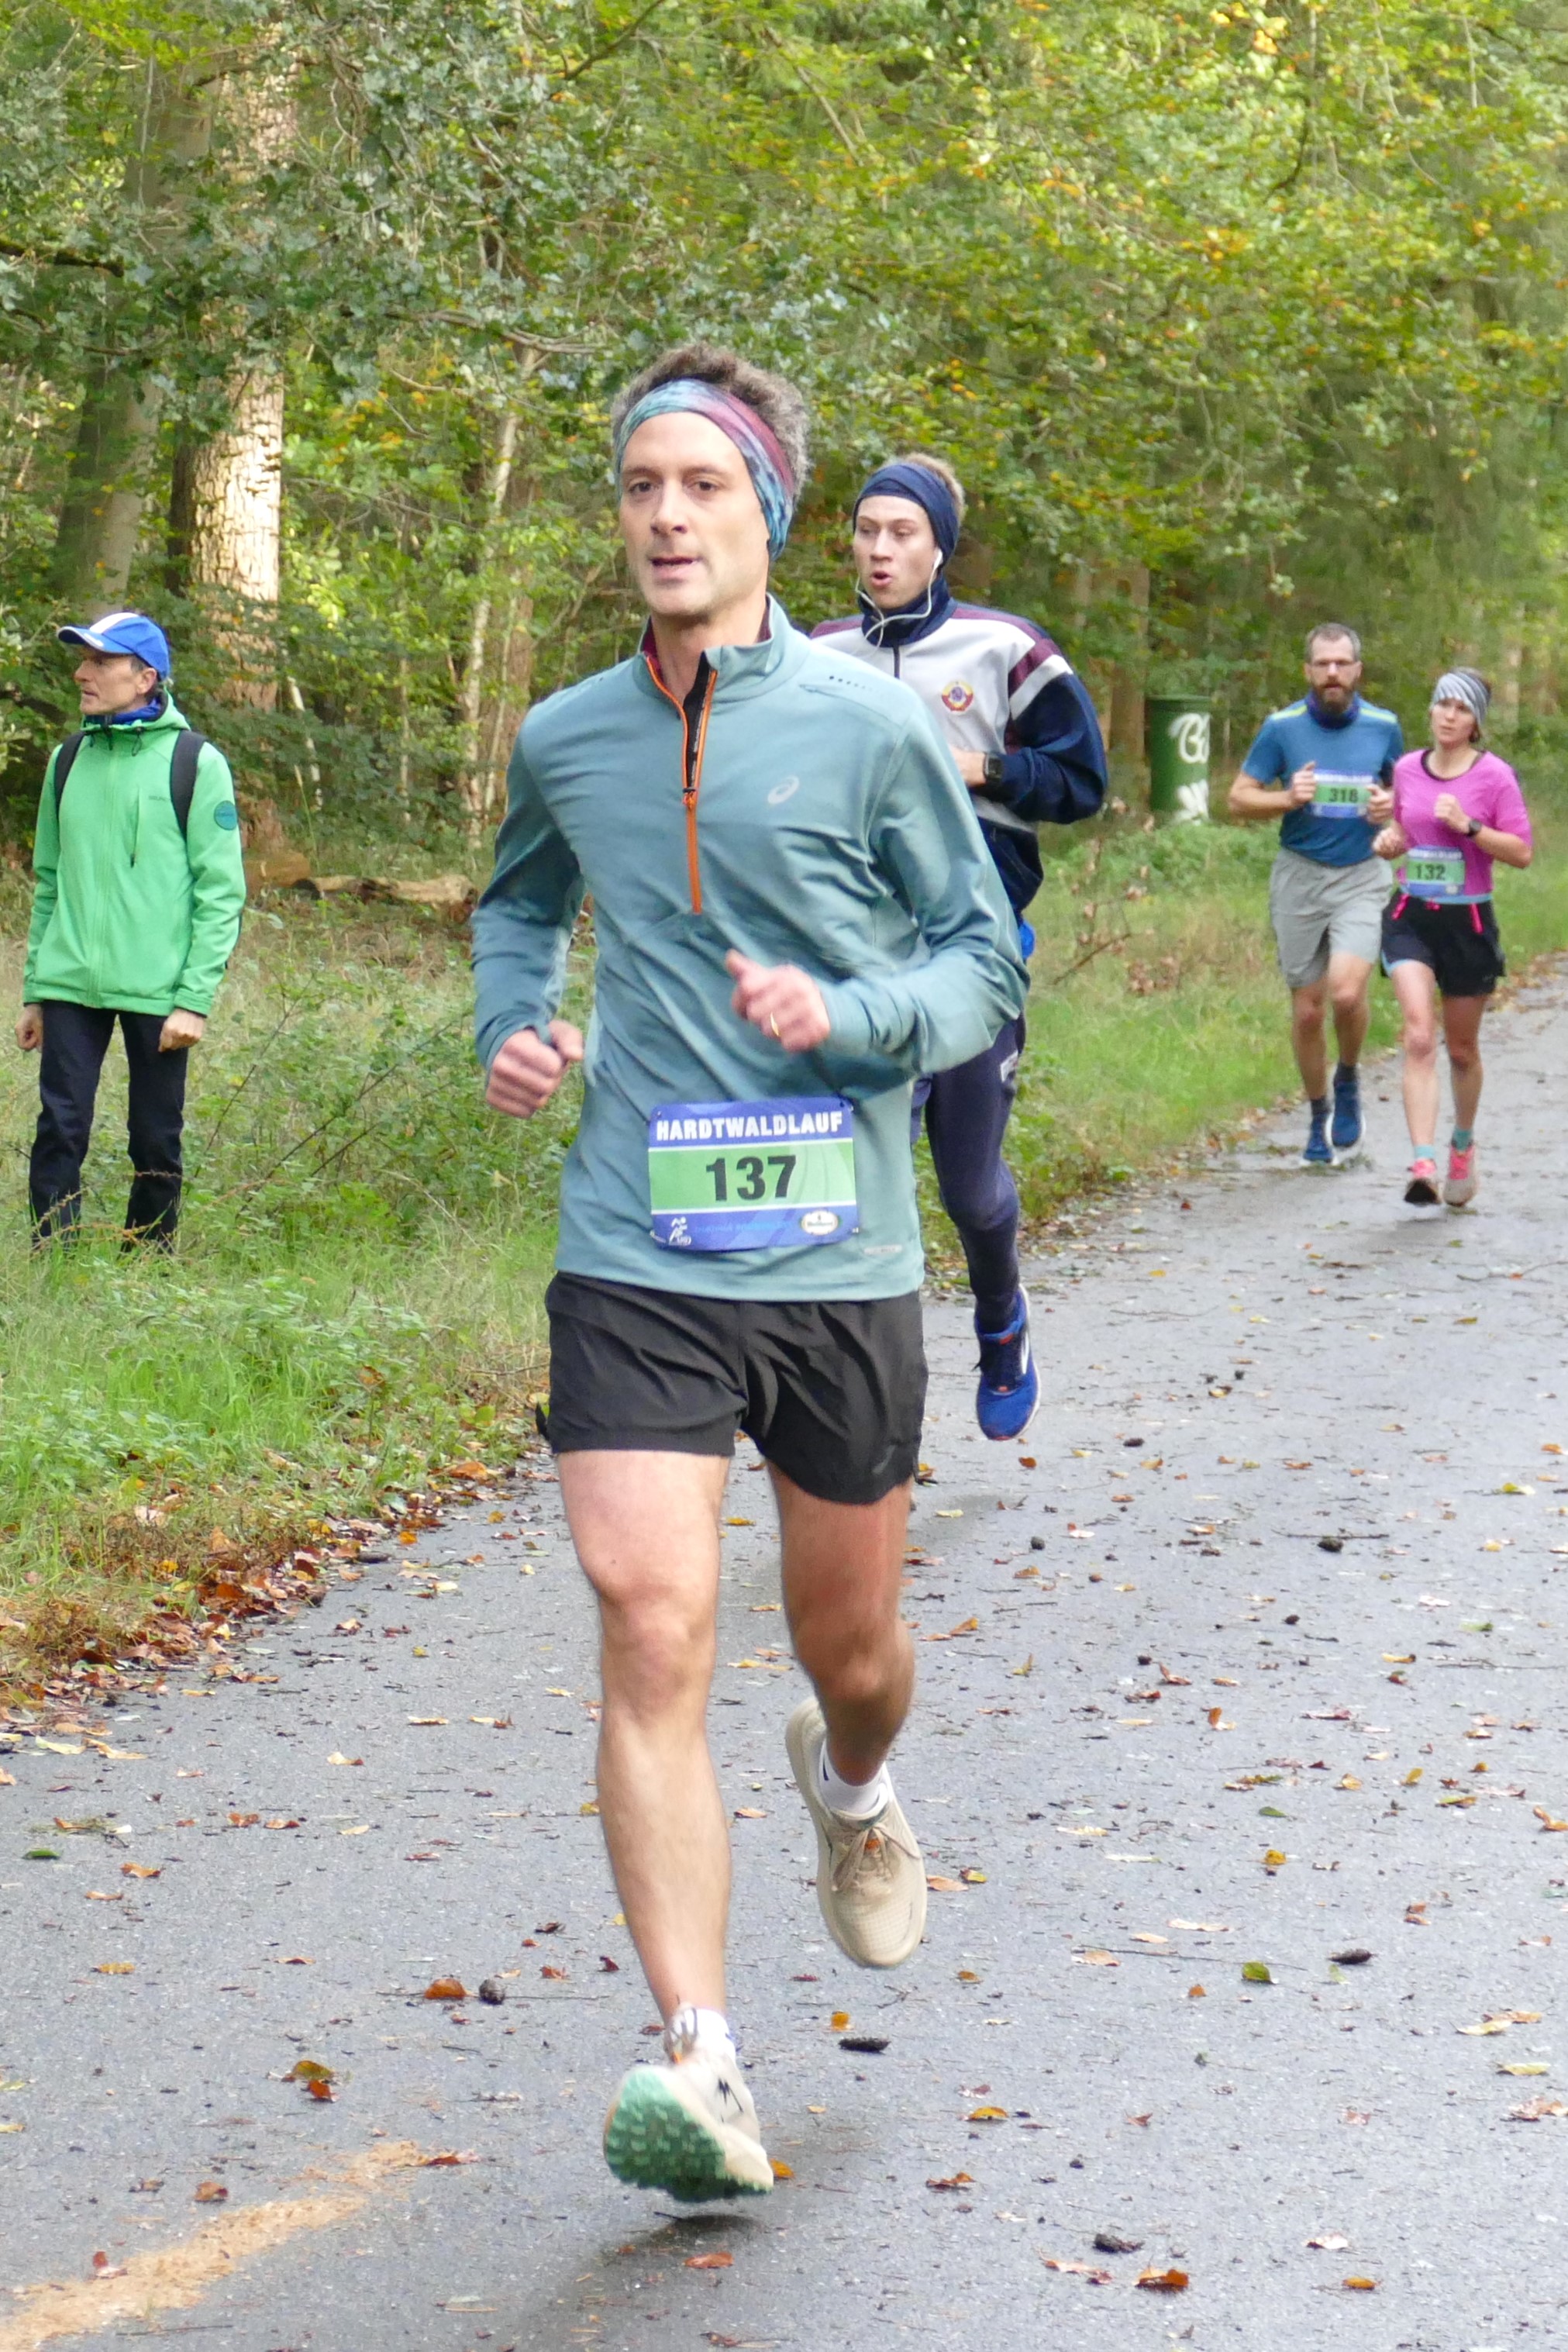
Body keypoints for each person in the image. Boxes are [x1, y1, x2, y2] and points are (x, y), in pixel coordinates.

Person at [472, 344, 1024, 2203]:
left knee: (849, 1651)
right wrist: (512, 1020)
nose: (663, 516)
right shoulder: (567, 735)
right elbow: (519, 903)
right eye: (639, 486)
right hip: (636, 1243)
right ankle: (700, 2056)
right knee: (649, 1620)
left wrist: (852, 1016)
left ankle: (852, 1780)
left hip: (835, 1252)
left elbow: (979, 960)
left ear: (766, 512)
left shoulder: (873, 728)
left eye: (701, 485)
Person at [810, 455, 1106, 1439]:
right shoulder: (816, 654)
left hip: (973, 956)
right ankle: (864, 1388)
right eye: (867, 530)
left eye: (902, 532)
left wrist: (983, 767)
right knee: (867, 1179)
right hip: (859, 963)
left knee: (972, 1193)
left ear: (939, 546)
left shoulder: (1005, 648)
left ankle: (1002, 1321)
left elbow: (1082, 782)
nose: (880, 549)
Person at [17, 611, 245, 1246]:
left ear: (145, 678)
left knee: (154, 1136)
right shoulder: (67, 760)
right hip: (69, 981)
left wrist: (194, 999)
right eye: (83, 660)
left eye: (100, 662)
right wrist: (36, 989)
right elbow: (49, 880)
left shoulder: (195, 763)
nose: (81, 673)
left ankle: (147, 1261)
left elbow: (221, 893)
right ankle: (54, 1257)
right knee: (59, 1127)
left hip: (159, 987)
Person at [1228, 624, 1402, 1165]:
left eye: (1341, 664)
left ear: (1357, 670)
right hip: (1299, 876)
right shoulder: (1281, 728)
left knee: (1346, 994)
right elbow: (1238, 798)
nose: (1332, 673)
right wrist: (1287, 798)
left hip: (1362, 873)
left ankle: (1347, 1078)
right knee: (1307, 1012)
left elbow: (1407, 794)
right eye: (1322, 664)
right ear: (1307, 670)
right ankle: (1317, 1113)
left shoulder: (1384, 726)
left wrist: (1389, 806)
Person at [1373, 668, 1531, 1206]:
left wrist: (1470, 827)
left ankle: (1461, 1144)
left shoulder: (1495, 777)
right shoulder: (1406, 768)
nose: (1448, 715)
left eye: (1461, 709)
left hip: (1468, 923)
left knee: (1461, 1050)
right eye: (1443, 704)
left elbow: (1521, 852)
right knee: (1419, 1035)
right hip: (1411, 917)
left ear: (1475, 723)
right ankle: (1422, 1164)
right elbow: (1403, 831)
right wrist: (1390, 842)